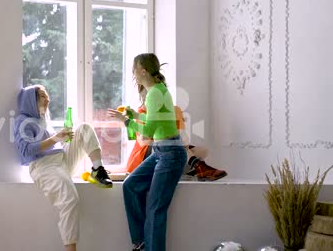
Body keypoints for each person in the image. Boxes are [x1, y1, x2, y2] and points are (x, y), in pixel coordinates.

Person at [13, 84, 113, 251]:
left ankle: (98, 170)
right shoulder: (22, 121)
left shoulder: (42, 120)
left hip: (61, 160)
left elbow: (52, 144)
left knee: (84, 129)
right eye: (43, 96)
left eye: (47, 95)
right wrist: (55, 139)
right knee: (70, 200)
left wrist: (62, 138)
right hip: (44, 167)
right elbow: (26, 151)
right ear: (31, 100)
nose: (48, 99)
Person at [108, 53, 186, 251]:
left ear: (142, 70)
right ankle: (141, 243)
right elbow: (155, 123)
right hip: (161, 152)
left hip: (170, 154)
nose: (133, 73)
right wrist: (134, 115)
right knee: (131, 186)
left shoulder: (155, 93)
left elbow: (148, 132)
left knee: (155, 209)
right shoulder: (156, 90)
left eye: (134, 69)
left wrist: (125, 121)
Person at [126, 105, 228, 181]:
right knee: (175, 144)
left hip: (169, 149)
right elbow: (143, 142)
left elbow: (182, 137)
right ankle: (199, 168)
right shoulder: (142, 111)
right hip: (147, 153)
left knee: (203, 151)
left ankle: (192, 170)